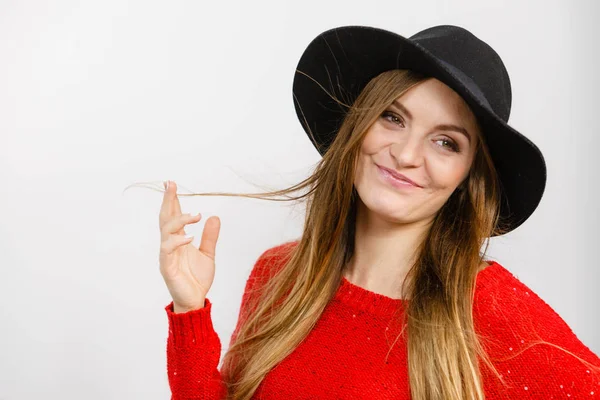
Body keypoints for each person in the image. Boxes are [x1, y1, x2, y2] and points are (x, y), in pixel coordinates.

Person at [157, 25, 600, 399]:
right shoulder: (278, 274)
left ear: (469, 175)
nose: (406, 154)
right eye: (393, 117)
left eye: (446, 142)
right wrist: (189, 309)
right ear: (359, 123)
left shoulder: (491, 309)